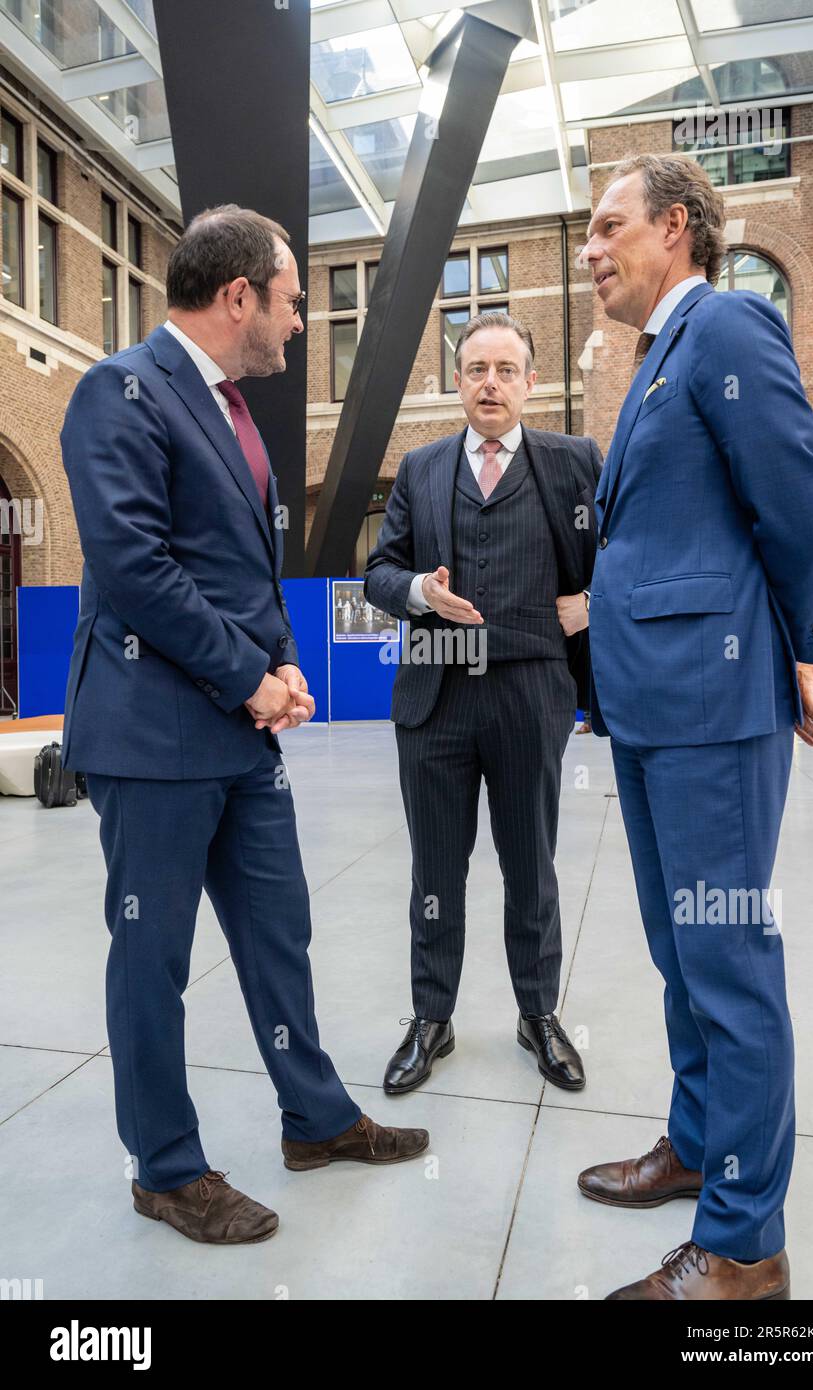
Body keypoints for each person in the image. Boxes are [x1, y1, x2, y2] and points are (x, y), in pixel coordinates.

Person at [60, 204, 427, 1247]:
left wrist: (284, 664)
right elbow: (135, 568)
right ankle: (167, 1167)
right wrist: (246, 677)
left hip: (236, 730)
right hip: (150, 734)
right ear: (239, 297)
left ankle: (313, 1118)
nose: (301, 320)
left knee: (278, 931)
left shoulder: (229, 410)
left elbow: (236, 569)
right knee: (153, 955)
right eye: (294, 299)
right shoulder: (117, 391)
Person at [579, 154, 813, 1299]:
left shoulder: (731, 328)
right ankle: (699, 1145)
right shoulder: (655, 363)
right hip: (649, 702)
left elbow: (795, 499)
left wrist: (797, 642)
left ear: (676, 229)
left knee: (726, 961)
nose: (588, 250)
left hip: (709, 695)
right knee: (678, 950)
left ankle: (745, 1244)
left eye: (606, 228)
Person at [365, 311, 600, 1094]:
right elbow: (378, 573)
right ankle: (432, 1017)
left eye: (506, 370)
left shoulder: (574, 464)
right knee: (436, 867)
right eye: (475, 369)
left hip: (533, 689)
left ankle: (538, 1013)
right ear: (456, 382)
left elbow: (629, 546)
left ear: (530, 382)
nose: (490, 383)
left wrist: (594, 600)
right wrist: (418, 591)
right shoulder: (422, 467)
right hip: (436, 691)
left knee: (531, 864)